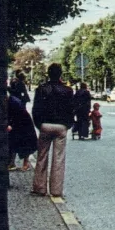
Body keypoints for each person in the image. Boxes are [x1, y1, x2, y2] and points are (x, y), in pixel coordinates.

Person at [31, 63, 74, 197]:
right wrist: (67, 125)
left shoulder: (41, 89)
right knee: (59, 159)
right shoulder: (68, 91)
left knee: (42, 156)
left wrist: (39, 125)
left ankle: (40, 188)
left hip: (45, 125)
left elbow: (35, 110)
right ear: (60, 74)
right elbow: (71, 109)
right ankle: (56, 190)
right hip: (61, 126)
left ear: (48, 74)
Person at [8, 94, 37, 171]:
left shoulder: (15, 103)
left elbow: (18, 117)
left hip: (24, 126)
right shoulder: (11, 101)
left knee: (25, 145)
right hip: (19, 125)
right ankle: (11, 163)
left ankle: (25, 164)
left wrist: (11, 125)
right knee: (13, 144)